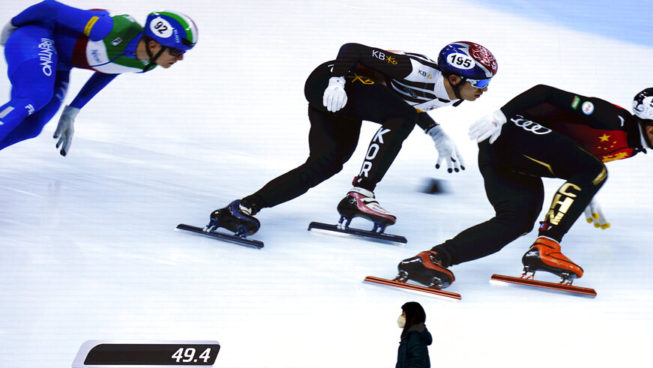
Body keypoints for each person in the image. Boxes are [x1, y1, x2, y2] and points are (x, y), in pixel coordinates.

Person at [396, 84, 653, 288]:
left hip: (511, 156)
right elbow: (546, 93)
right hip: (509, 132)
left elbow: (574, 157)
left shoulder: (631, 147)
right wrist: (501, 115)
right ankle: (547, 247)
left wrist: (585, 189)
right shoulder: (612, 119)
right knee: (594, 170)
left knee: (516, 222)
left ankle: (432, 259)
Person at [206, 41, 498, 238]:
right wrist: (337, 82)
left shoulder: (449, 94)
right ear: (456, 78)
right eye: (480, 83)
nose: (484, 90)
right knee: (401, 117)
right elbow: (353, 49)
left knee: (327, 163)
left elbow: (406, 108)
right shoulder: (415, 69)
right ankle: (362, 194)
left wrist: (436, 133)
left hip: (350, 97)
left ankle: (241, 209)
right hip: (332, 80)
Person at [0, 0, 197, 155]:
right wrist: (11, 26)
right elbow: (49, 7)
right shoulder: (106, 29)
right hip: (35, 36)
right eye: (176, 51)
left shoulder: (146, 63)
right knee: (36, 96)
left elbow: (111, 69)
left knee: (33, 126)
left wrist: (73, 110)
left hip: (61, 63)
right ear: (154, 45)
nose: (180, 58)